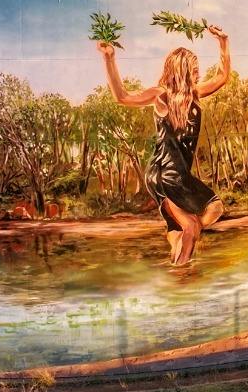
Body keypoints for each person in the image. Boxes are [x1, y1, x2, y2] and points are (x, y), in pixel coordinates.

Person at [98, 23, 231, 266]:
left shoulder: (193, 93)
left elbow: (222, 77)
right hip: (173, 176)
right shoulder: (162, 95)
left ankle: (176, 259)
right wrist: (109, 59)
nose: (198, 74)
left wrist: (222, 42)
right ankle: (180, 274)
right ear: (180, 71)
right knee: (209, 212)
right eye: (193, 70)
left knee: (176, 227)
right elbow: (122, 97)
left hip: (156, 175)